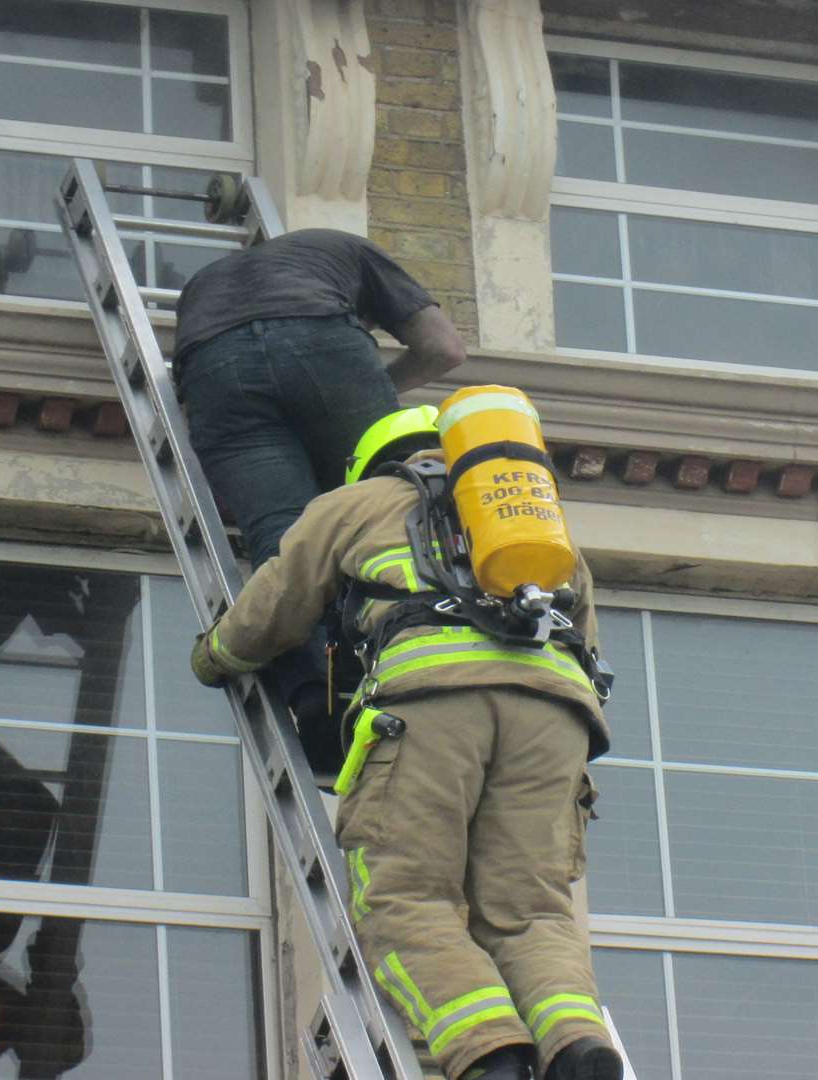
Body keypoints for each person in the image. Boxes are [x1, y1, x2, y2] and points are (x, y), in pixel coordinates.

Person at [187, 407, 623, 1080]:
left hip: (430, 702)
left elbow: (279, 599)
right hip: (556, 716)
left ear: (377, 461)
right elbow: (586, 646)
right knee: (530, 911)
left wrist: (216, 655)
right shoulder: (542, 525)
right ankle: (578, 1044)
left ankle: (489, 1055)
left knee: (406, 898)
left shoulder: (355, 503)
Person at [173, 230, 467, 750]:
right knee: (385, 513)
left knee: (282, 537)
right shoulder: (347, 249)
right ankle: (392, 677)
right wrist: (359, 389)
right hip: (324, 346)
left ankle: (312, 695)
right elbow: (443, 348)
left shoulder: (204, 282)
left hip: (212, 370)